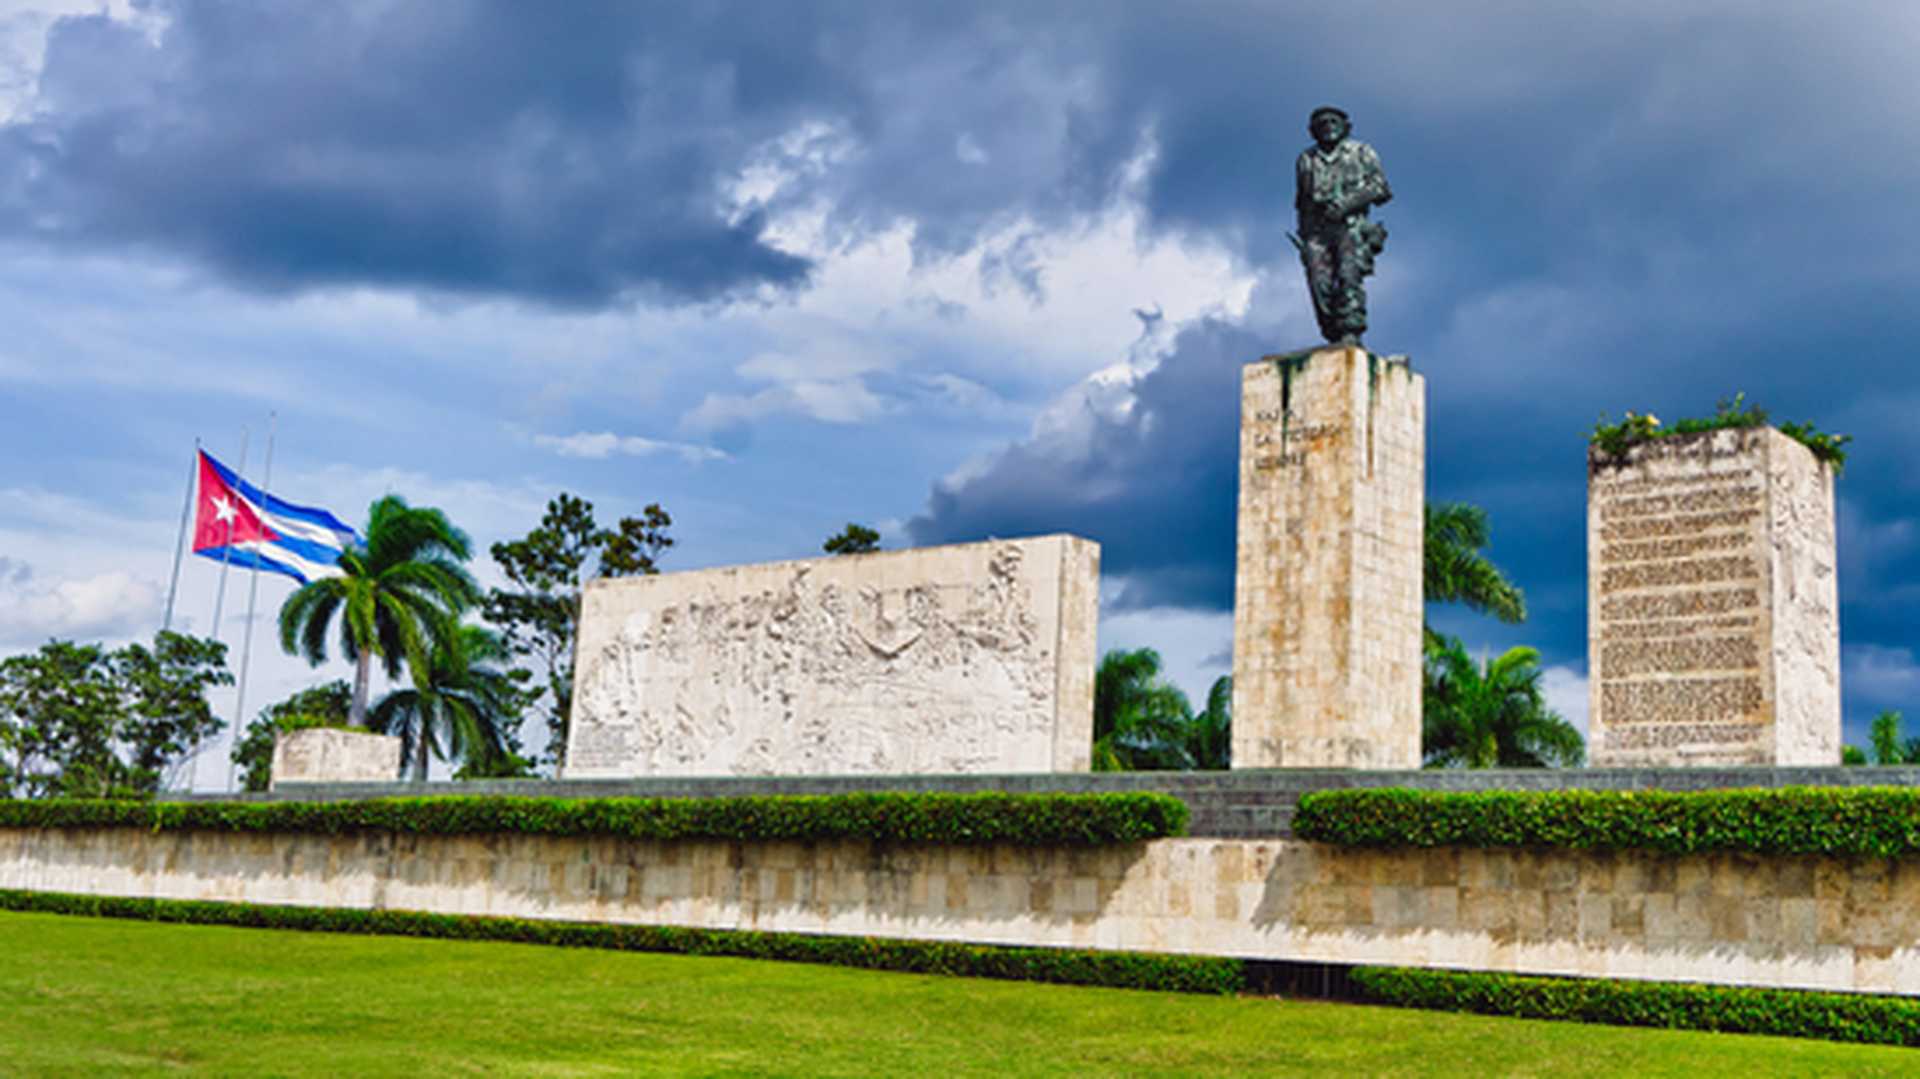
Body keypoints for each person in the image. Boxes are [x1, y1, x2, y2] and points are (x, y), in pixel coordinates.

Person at [1294, 106, 1391, 344]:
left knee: (1349, 276)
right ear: (1312, 131)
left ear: (1346, 127)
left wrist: (1348, 204)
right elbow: (1301, 201)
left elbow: (1380, 188)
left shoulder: (1361, 152)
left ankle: (1351, 329)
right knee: (1319, 282)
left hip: (1351, 225)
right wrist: (1305, 236)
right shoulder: (1307, 160)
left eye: (1333, 121)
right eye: (1321, 123)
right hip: (1317, 230)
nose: (1328, 126)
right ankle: (1331, 331)